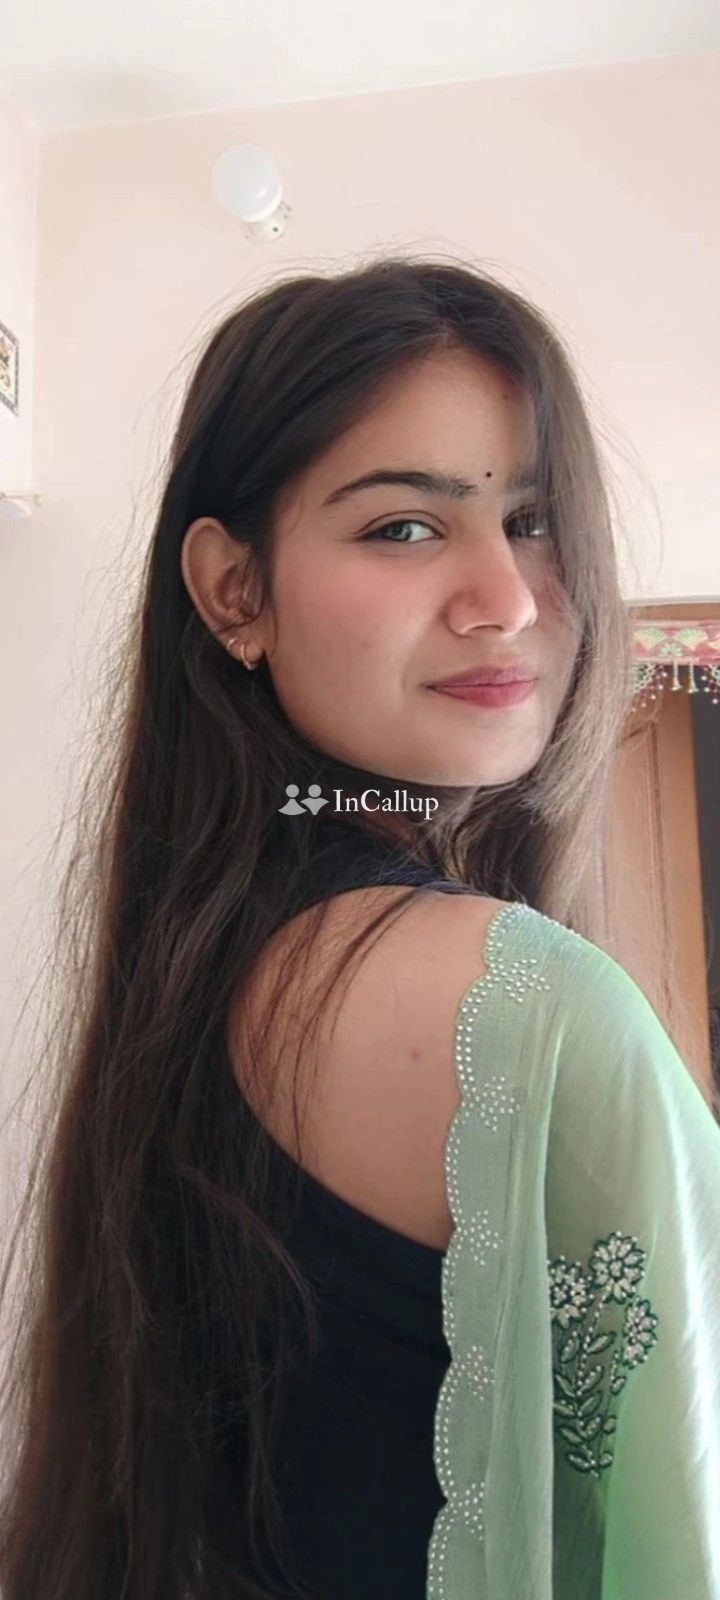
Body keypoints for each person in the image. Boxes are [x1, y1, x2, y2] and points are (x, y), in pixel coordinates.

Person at [1, 256, 719, 1600]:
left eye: (536, 520)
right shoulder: (521, 1005)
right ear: (234, 591)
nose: (506, 599)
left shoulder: (196, 970)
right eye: (403, 526)